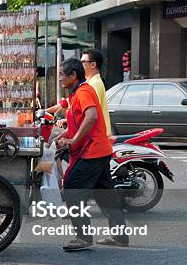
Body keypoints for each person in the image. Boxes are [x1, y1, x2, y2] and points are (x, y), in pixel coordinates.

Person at [52, 59, 129, 251]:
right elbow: (76, 123)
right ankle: (119, 237)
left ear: (73, 76)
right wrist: (63, 136)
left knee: (72, 187)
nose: (60, 78)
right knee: (106, 196)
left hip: (92, 151)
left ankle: (83, 238)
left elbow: (92, 116)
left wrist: (73, 139)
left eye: (62, 74)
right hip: (99, 150)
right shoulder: (76, 93)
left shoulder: (84, 91)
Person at [81, 49, 112, 136]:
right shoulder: (88, 82)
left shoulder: (95, 83)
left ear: (93, 64)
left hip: (97, 135)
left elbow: (91, 114)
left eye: (83, 62)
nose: (81, 65)